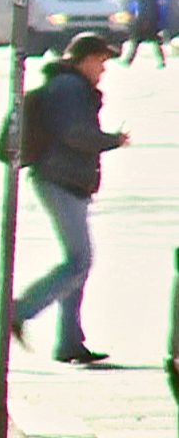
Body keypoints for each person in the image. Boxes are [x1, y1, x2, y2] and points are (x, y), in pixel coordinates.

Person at [9, 32, 131, 365]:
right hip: (58, 179)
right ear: (85, 60)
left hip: (67, 180)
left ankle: (69, 343)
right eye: (101, 62)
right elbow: (74, 134)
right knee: (79, 261)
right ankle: (19, 311)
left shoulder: (73, 88)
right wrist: (111, 140)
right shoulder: (69, 88)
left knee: (78, 265)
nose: (103, 70)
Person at [123, 0, 165, 67]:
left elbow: (147, 9)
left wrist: (145, 21)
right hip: (149, 22)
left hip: (146, 23)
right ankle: (128, 60)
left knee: (138, 42)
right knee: (150, 43)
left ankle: (128, 60)